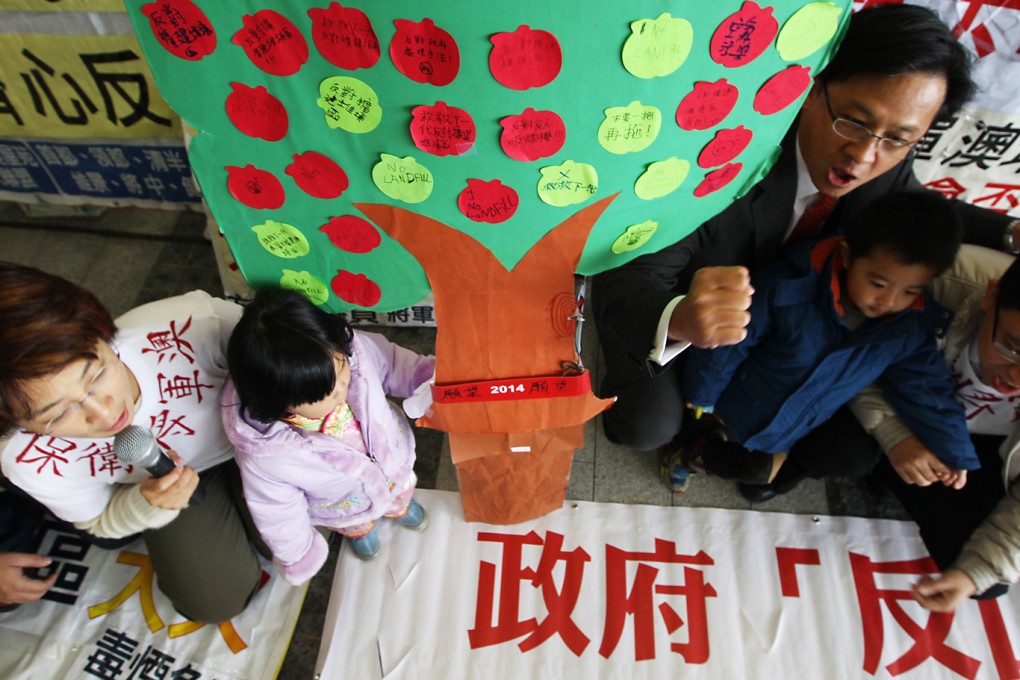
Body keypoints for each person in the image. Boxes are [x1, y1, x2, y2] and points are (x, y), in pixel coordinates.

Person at [592, 5, 1019, 494]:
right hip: (683, 313)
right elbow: (623, 275)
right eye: (854, 122)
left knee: (849, 449)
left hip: (772, 323)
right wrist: (679, 319)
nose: (863, 157)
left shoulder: (887, 164)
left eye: (898, 140)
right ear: (812, 88)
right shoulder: (720, 154)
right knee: (648, 428)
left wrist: (1009, 234)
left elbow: (924, 214)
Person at [0, 262, 269, 623]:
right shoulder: (29, 459)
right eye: (59, 415)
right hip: (174, 487)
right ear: (19, 426)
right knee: (214, 600)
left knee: (310, 531)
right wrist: (147, 504)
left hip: (258, 441)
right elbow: (99, 521)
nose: (104, 412)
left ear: (102, 330)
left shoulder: (192, 325)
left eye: (97, 374)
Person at [672, 191, 975, 493]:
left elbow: (927, 388)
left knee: (758, 473)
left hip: (784, 429)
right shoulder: (788, 287)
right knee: (686, 428)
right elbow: (729, 344)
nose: (889, 300)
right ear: (846, 255)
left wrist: (955, 453)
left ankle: (696, 456)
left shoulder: (907, 329)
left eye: (910, 291)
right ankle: (688, 447)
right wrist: (702, 393)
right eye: (878, 283)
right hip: (727, 404)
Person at [222, 288, 435, 580]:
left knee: (402, 492)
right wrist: (297, 554)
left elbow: (393, 364)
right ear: (276, 402)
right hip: (344, 505)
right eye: (322, 392)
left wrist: (423, 377)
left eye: (341, 367)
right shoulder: (266, 455)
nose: (341, 388)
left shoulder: (354, 351)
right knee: (354, 524)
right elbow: (277, 511)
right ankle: (360, 533)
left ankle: (399, 507)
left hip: (392, 462)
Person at [850, 246, 1020, 607]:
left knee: (985, 580)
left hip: (986, 448)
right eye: (1011, 347)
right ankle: (887, 465)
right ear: (991, 296)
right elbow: (851, 346)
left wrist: (973, 573)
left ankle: (905, 475)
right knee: (838, 452)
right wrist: (895, 435)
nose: (1015, 379)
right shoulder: (935, 280)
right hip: (898, 403)